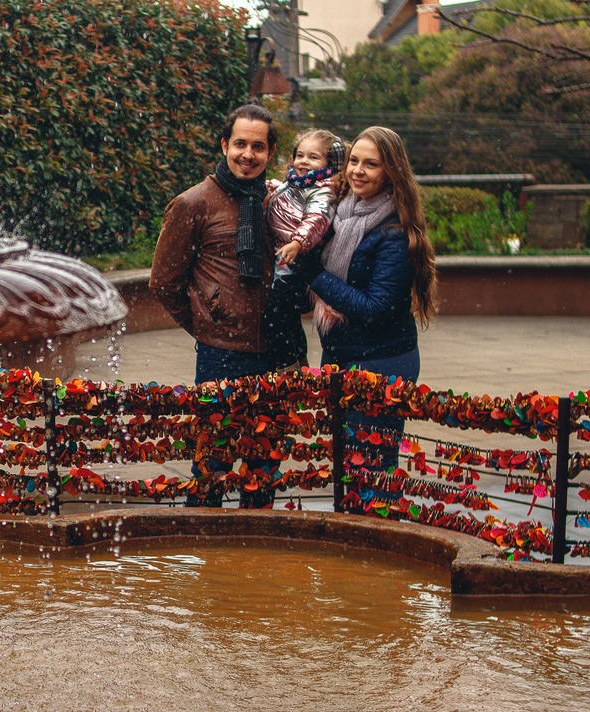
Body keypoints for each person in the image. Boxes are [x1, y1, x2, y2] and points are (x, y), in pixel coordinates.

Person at [149, 103, 287, 507]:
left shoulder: (276, 202)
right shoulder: (193, 203)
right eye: (240, 144)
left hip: (274, 351)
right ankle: (207, 557)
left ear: (269, 152)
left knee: (263, 466)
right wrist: (208, 320)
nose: (248, 154)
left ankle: (255, 557)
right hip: (220, 355)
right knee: (212, 464)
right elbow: (164, 281)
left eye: (257, 147)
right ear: (224, 144)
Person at [289, 126, 438, 473]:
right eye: (354, 161)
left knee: (370, 467)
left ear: (391, 172)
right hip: (340, 355)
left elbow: (376, 310)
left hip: (383, 362)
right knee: (346, 464)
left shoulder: (394, 232)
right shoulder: (338, 212)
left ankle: (375, 526)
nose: (358, 170)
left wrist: (313, 273)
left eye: (371, 164)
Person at [262, 128, 345, 369]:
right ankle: (300, 364)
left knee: (275, 317)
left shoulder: (322, 189)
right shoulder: (297, 183)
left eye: (313, 157)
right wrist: (267, 186)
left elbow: (316, 218)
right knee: (287, 319)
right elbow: (282, 192)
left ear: (329, 163)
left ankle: (288, 368)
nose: (304, 161)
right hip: (285, 261)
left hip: (298, 265)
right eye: (300, 155)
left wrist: (298, 242)